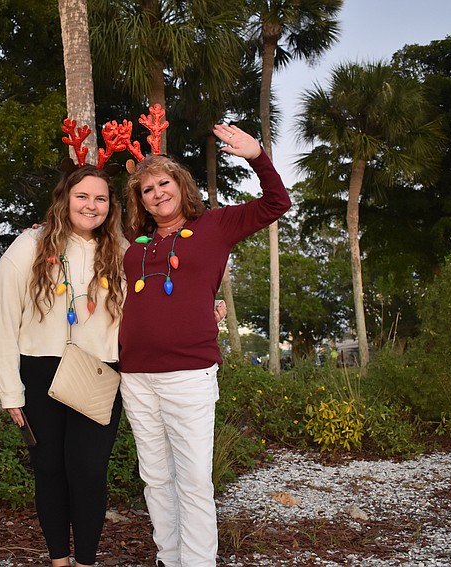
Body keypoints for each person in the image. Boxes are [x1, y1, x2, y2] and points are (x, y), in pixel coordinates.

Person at [118, 123, 291, 567]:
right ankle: (168, 557)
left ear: (180, 185)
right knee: (155, 479)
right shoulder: (133, 247)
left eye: (163, 183)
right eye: (146, 190)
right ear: (139, 201)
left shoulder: (214, 224)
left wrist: (256, 155)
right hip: (135, 377)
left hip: (189, 376)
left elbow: (277, 203)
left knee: (193, 481)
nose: (156, 193)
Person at [0, 164, 126, 567]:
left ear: (110, 206)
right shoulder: (28, 245)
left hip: (98, 374)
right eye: (82, 196)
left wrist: (209, 309)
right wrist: (10, 391)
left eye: (100, 198)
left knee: (87, 474)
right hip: (39, 372)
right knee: (49, 472)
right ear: (65, 198)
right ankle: (58, 561)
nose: (91, 205)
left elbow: (154, 302)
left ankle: (85, 561)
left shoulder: (119, 249)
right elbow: (3, 320)